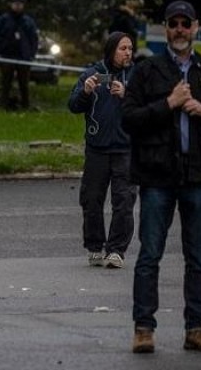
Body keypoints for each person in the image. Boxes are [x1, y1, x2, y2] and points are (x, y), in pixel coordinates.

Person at [122, 0, 201, 354]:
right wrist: (169, 103)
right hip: (157, 178)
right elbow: (128, 119)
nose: (180, 30)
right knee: (150, 256)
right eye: (174, 24)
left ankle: (196, 328)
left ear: (196, 29)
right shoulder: (148, 71)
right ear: (166, 28)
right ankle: (143, 329)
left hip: (198, 178)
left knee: (199, 259)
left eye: (186, 24)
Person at [68, 32, 136, 269]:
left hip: (126, 149)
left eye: (130, 48)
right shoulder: (92, 74)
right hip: (97, 149)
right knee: (92, 200)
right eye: (123, 48)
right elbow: (73, 106)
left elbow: (150, 106)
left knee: (124, 201)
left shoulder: (136, 75)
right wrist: (86, 92)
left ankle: (116, 250)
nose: (128, 52)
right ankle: (95, 246)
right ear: (111, 51)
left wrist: (127, 95)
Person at [0, 0, 39, 111]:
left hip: (23, 57)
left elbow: (34, 38)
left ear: (23, 5)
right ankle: (4, 105)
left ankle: (25, 106)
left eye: (20, 4)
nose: (17, 6)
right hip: (7, 55)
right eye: (15, 4)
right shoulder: (4, 20)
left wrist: (31, 54)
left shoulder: (28, 21)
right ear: (11, 5)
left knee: (24, 84)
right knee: (6, 82)